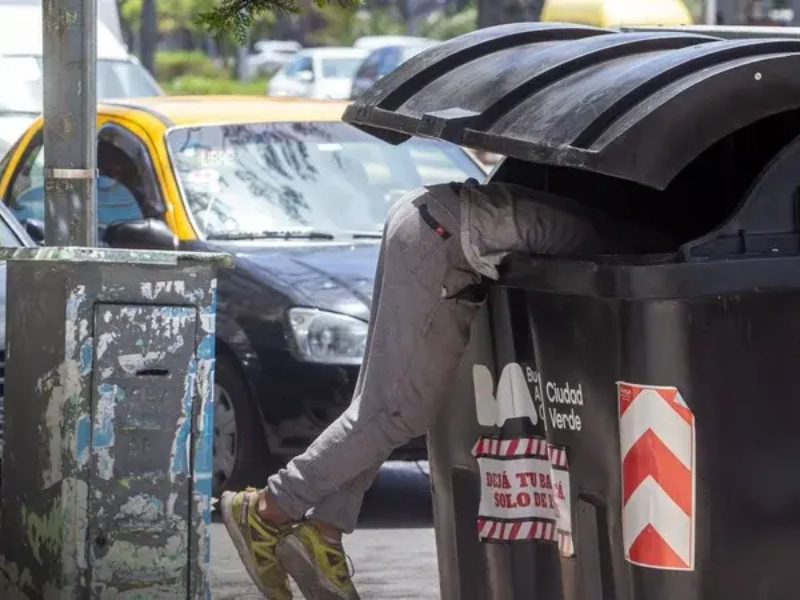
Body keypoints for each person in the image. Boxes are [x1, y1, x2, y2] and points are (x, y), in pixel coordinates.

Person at [221, 180, 671, 600]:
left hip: (433, 225)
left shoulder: (587, 215)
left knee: (380, 406)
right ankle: (267, 508)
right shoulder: (603, 240)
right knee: (395, 412)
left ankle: (324, 531)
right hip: (441, 238)